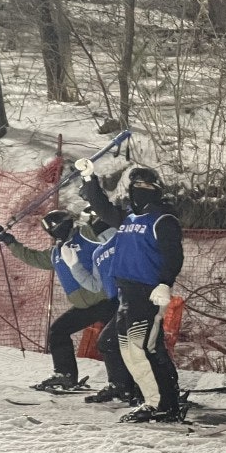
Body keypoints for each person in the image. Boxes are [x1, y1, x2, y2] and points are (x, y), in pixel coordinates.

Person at [78, 161, 184, 423]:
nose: (139, 190)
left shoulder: (163, 219)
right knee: (131, 351)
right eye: (135, 185)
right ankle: (152, 400)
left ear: (156, 189)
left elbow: (174, 255)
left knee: (145, 349)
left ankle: (164, 404)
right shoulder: (127, 217)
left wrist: (165, 283)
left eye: (145, 185)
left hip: (149, 292)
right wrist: (90, 180)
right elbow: (102, 207)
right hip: (126, 292)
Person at [0, 210, 114, 392]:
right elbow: (33, 257)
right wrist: (9, 240)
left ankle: (123, 384)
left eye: (58, 226)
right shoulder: (56, 252)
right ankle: (65, 376)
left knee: (115, 341)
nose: (56, 231)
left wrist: (96, 205)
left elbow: (106, 222)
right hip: (85, 307)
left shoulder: (85, 234)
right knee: (58, 331)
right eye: (52, 229)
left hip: (105, 299)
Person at [80, 218, 140, 405]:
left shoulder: (119, 242)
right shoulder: (103, 250)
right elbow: (98, 285)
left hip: (133, 296)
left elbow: (98, 285)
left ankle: (138, 388)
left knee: (126, 343)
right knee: (117, 342)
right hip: (122, 300)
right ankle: (125, 386)